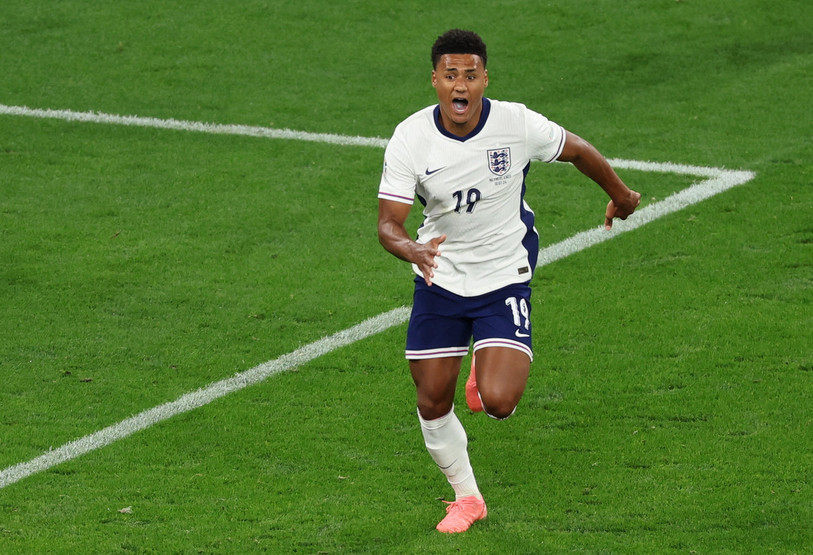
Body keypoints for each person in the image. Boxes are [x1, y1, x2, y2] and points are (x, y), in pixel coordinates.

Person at [377, 29, 641, 533]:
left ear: (485, 80)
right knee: (431, 401)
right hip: (440, 275)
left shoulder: (515, 123)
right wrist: (410, 248)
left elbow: (577, 150)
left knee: (498, 403)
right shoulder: (410, 137)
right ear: (434, 80)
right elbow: (388, 223)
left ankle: (486, 364)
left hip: (503, 272)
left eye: (470, 75)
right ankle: (467, 499)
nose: (460, 85)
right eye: (450, 76)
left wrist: (622, 195)